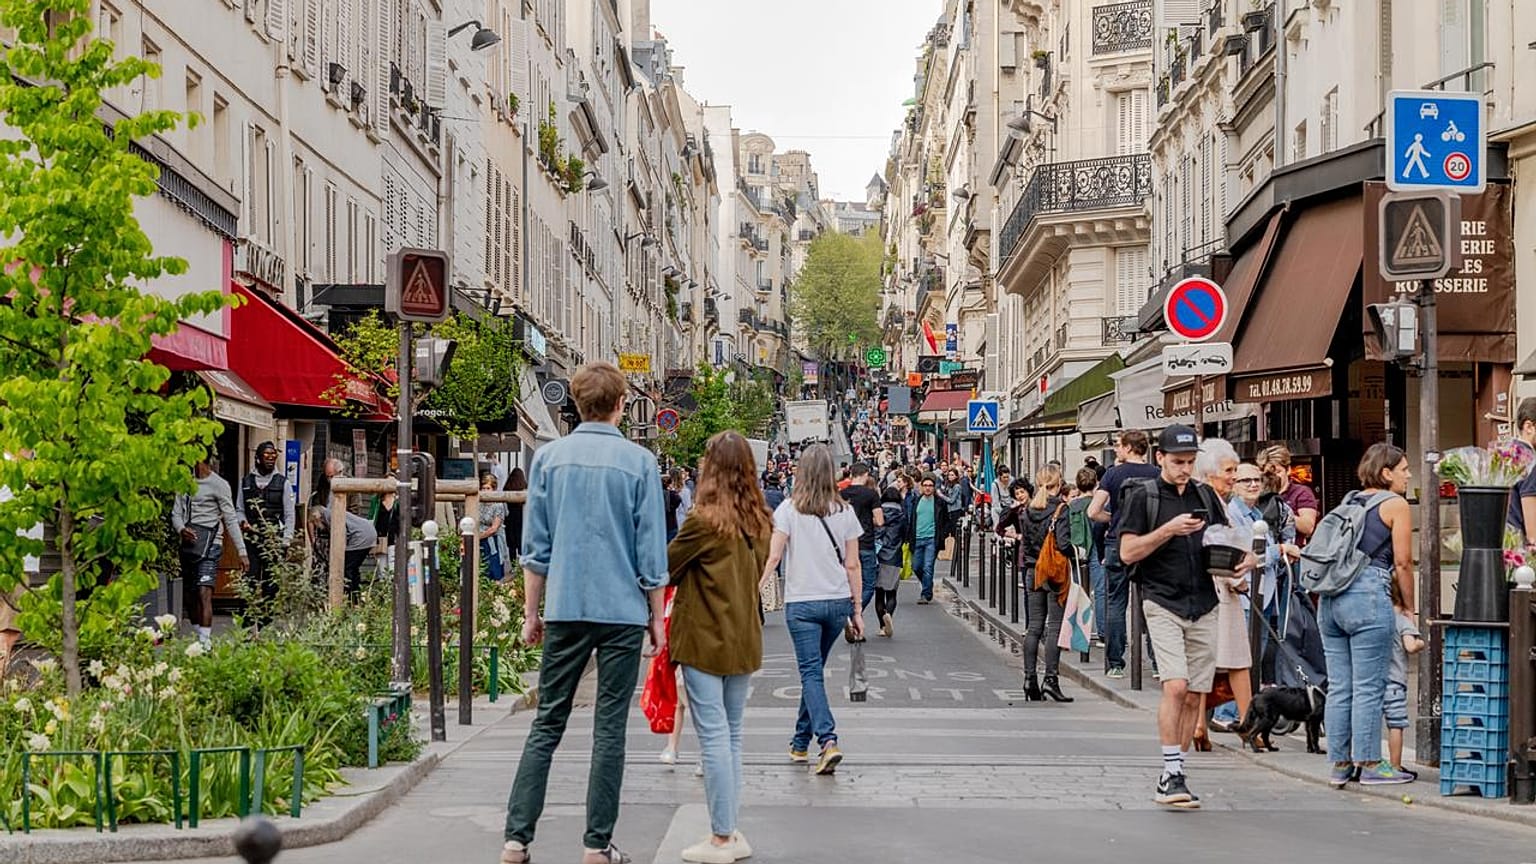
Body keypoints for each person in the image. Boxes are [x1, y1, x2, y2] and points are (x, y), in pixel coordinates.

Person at [501, 362, 669, 864]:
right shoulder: (639, 463)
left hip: (567, 605)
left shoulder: (549, 460)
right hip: (620, 612)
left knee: (547, 721)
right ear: (622, 405)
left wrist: (532, 614)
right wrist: (656, 621)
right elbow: (651, 556)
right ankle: (596, 845)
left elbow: (536, 550)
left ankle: (516, 839)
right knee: (609, 729)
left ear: (574, 405)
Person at [1117, 424, 1246, 808]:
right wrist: (1168, 530)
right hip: (1161, 600)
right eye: (1177, 462)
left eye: (1190, 462)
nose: (1184, 469)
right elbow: (1128, 552)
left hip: (1204, 603)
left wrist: (1241, 563)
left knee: (1195, 695)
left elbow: (1225, 541)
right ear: (1160, 458)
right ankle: (1170, 771)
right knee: (1175, 685)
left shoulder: (1205, 495)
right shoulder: (1144, 497)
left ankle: (1178, 771)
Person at [666, 431, 772, 863]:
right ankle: (731, 830)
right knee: (732, 736)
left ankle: (722, 838)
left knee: (712, 737)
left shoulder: (703, 521)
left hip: (705, 638)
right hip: (745, 637)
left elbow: (665, 567)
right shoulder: (761, 520)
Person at [760, 443, 864, 776]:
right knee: (814, 670)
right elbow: (852, 565)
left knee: (810, 672)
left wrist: (755, 588)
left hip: (802, 603)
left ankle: (828, 740)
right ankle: (799, 743)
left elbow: (774, 557)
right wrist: (857, 610)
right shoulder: (845, 511)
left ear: (801, 473)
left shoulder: (788, 510)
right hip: (836, 603)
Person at [1321, 443, 1417, 788]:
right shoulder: (1396, 504)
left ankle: (1340, 764)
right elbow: (1403, 563)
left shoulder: (1349, 501)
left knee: (1340, 686)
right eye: (1404, 469)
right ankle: (1371, 763)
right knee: (1368, 685)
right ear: (1387, 472)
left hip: (1331, 600)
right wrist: (1408, 605)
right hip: (1368, 595)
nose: (1408, 475)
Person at [1088, 429, 1161, 678]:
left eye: (1119, 445)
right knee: (1152, 603)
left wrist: (1114, 518)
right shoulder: (1157, 474)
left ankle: (1116, 663)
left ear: (1129, 447)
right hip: (1149, 543)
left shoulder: (1113, 474)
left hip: (1118, 541)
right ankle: (1157, 663)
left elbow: (1093, 511)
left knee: (1116, 602)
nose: (1116, 449)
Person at [1191, 439, 1249, 750]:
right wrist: (1239, 576)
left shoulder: (1206, 499)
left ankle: (1201, 724)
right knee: (1237, 661)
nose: (1234, 476)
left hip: (1209, 591)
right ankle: (1251, 723)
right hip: (1221, 590)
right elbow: (1217, 550)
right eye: (1229, 470)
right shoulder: (1213, 502)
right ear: (1211, 473)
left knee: (1205, 663)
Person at [996, 471, 1073, 703]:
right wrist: (1076, 553)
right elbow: (1063, 543)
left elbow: (1025, 542)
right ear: (1057, 484)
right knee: (1055, 626)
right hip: (1054, 573)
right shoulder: (1060, 508)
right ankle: (1051, 679)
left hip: (1032, 570)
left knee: (1034, 627)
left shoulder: (1027, 510)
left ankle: (1029, 679)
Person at [172, 455, 248, 646]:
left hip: (212, 542)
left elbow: (230, 518)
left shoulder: (219, 485)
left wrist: (242, 551)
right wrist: (181, 529)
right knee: (190, 596)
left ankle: (205, 643)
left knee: (204, 591)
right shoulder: (184, 483)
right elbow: (176, 513)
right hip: (190, 544)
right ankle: (199, 635)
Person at [236, 441, 294, 623]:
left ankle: (265, 620)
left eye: (273, 456)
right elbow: (239, 508)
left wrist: (286, 541)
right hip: (251, 539)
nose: (270, 460)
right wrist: (242, 521)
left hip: (274, 539)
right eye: (266, 456)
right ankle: (246, 621)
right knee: (250, 580)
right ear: (257, 458)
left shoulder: (283, 483)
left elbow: (289, 514)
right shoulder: (245, 482)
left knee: (271, 583)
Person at [1386, 577, 1426, 780]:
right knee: (1395, 724)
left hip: (1373, 681)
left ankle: (1367, 761)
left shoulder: (1378, 619)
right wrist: (1421, 643)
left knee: (1370, 721)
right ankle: (1395, 765)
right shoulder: (1403, 621)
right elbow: (1410, 646)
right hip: (1394, 682)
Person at [840, 461, 884, 616]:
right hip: (865, 542)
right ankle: (855, 612)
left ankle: (849, 611)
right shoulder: (871, 494)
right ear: (866, 475)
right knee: (868, 584)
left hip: (846, 544)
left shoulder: (841, 494)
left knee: (847, 583)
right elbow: (880, 521)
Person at [1066, 467, 1105, 645]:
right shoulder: (1098, 504)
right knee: (1101, 591)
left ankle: (1078, 633)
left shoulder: (1071, 506)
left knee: (1077, 590)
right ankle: (1103, 633)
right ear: (1095, 482)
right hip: (1097, 549)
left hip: (1077, 551)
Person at [309, 505, 378, 601]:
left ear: (317, 517)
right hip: (369, 533)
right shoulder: (331, 512)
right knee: (353, 568)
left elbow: (341, 533)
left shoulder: (329, 516)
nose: (317, 527)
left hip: (360, 537)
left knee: (346, 568)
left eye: (315, 524)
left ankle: (348, 597)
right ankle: (355, 596)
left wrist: (339, 551)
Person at [904, 473, 950, 604]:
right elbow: (911, 519)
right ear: (922, 487)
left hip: (931, 539)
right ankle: (927, 585)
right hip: (917, 538)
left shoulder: (940, 503)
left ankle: (925, 593)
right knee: (916, 566)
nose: (928, 488)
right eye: (925, 485)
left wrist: (943, 534)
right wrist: (908, 536)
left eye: (930, 486)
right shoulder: (916, 501)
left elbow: (946, 521)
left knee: (928, 567)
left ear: (934, 487)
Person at [1258, 444, 1319, 542]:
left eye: (1278, 472)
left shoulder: (1301, 492)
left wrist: (1282, 513)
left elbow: (1308, 528)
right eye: (1269, 473)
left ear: (1288, 470)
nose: (1274, 477)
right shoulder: (1259, 494)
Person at [873, 486, 907, 638]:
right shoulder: (902, 515)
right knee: (892, 593)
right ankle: (889, 616)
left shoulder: (878, 513)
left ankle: (881, 625)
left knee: (879, 593)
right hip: (894, 555)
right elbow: (905, 534)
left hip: (878, 554)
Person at [478, 471, 510, 582]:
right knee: (481, 570)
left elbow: (494, 528)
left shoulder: (498, 504)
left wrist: (478, 536)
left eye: (488, 488)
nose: (485, 491)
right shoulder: (479, 502)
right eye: (483, 488)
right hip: (480, 539)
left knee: (494, 569)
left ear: (493, 489)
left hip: (493, 540)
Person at [504, 468, 528, 564]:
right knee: (521, 541)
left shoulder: (507, 488)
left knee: (511, 544)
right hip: (522, 518)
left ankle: (513, 564)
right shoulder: (524, 488)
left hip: (510, 518)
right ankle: (522, 565)